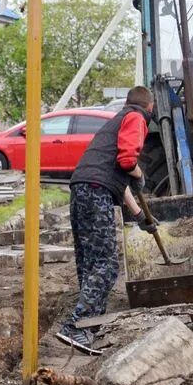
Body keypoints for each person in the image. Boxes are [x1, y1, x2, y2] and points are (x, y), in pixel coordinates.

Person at [56, 86, 158, 355]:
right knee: (107, 265)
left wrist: (139, 216)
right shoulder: (136, 117)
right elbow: (126, 161)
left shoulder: (115, 123)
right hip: (95, 191)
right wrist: (139, 173)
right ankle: (76, 327)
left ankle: (87, 330)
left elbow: (116, 178)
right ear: (150, 107)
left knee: (90, 264)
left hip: (82, 188)